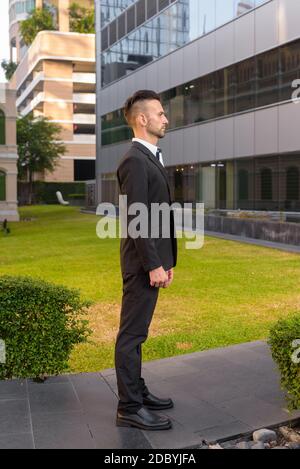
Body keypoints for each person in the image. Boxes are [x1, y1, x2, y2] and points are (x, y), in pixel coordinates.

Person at [115, 90, 177, 431]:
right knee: (132, 335)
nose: (165, 119)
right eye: (160, 113)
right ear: (143, 119)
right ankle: (129, 407)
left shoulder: (150, 156)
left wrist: (166, 262)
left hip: (151, 261)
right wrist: (152, 264)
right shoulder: (134, 160)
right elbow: (137, 219)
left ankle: (137, 391)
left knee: (140, 333)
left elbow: (158, 215)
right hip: (140, 265)